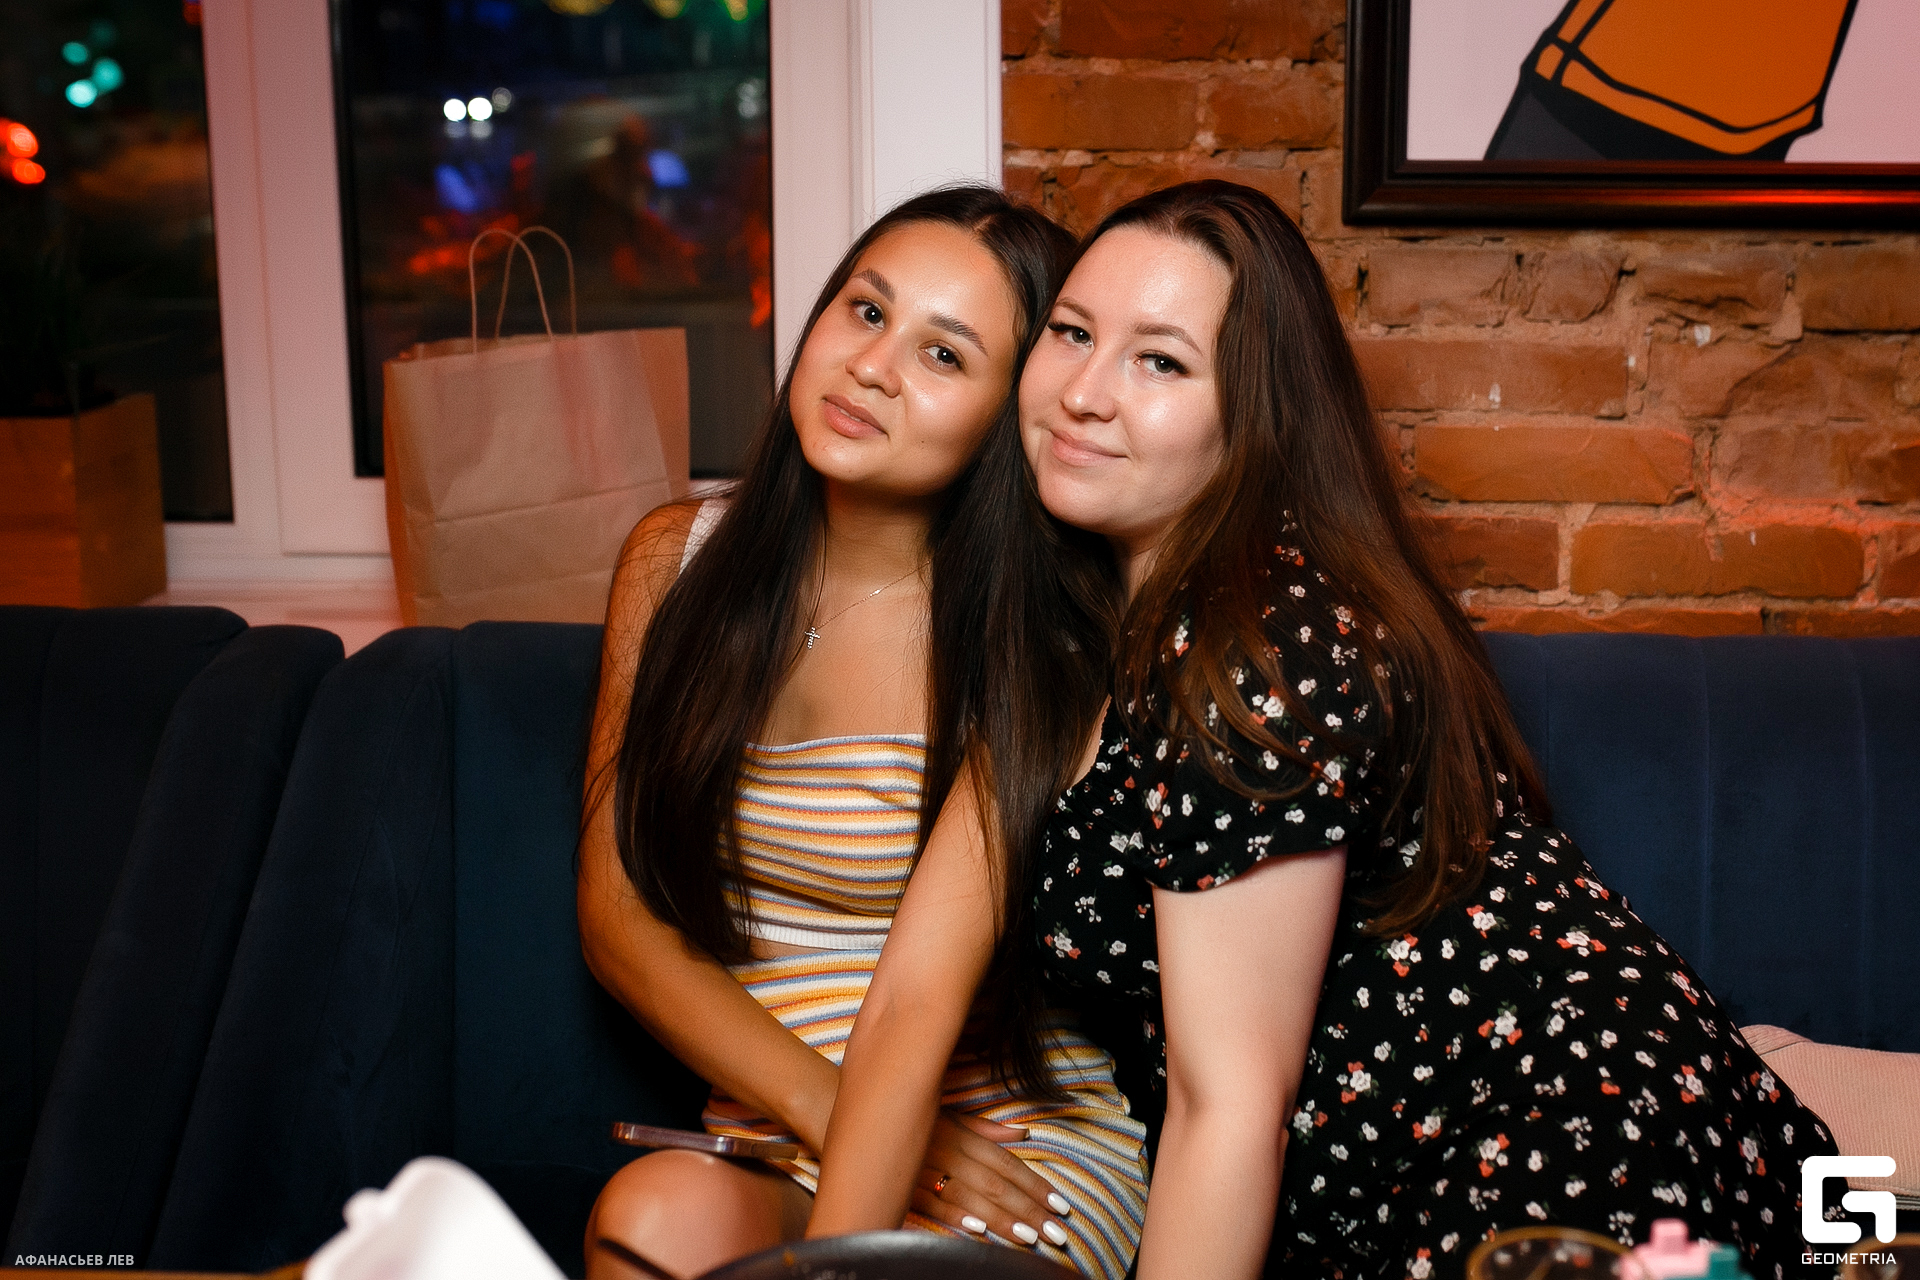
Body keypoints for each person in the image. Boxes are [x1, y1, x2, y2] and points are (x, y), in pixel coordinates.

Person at [1007, 180, 1838, 1280]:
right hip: (1497, 1144)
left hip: (1565, 1145)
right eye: (1072, 332)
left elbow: (1229, 1106)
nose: (1083, 393)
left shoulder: (1254, 644)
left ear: (1255, 413)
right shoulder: (1138, 621)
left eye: (1160, 361)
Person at [577, 185, 1147, 1280]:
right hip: (782, 1124)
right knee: (643, 1220)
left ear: (1009, 414)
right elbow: (616, 917)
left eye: (944, 355)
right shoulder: (673, 562)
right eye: (868, 310)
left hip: (1009, 1150)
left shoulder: (1033, 640)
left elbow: (919, 1004)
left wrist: (909, 1137)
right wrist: (837, 1110)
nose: (873, 367)